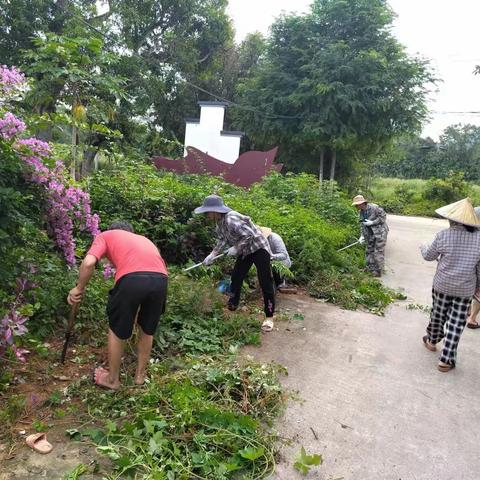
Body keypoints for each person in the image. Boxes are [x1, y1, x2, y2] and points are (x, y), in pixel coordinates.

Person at [67, 221, 168, 389]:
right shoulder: (144, 240)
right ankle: (140, 377)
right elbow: (153, 268)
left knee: (117, 328)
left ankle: (112, 380)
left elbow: (88, 263)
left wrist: (78, 288)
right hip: (161, 279)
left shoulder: (105, 236)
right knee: (147, 328)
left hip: (131, 278)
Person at [194, 194, 275, 332]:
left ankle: (269, 317)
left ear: (214, 211)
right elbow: (222, 240)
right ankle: (233, 304)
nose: (206, 215)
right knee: (236, 277)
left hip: (259, 248)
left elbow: (250, 234)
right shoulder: (219, 224)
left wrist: (236, 247)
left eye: (207, 212)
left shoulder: (231, 218)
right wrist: (212, 254)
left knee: (265, 280)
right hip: (246, 251)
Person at [420, 198, 480, 372]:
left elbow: (428, 256)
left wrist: (423, 246)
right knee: (456, 322)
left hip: (442, 285)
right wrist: (478, 286)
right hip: (465, 289)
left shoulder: (443, 235)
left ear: (452, 219)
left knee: (438, 314)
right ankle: (446, 360)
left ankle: (432, 341)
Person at [351, 195, 389, 277]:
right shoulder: (361, 212)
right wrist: (362, 236)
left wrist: (373, 222)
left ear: (362, 203)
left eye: (357, 205)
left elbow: (383, 217)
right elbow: (362, 225)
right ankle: (370, 268)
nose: (356, 206)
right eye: (356, 205)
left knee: (378, 252)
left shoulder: (374, 208)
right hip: (370, 233)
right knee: (369, 250)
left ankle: (378, 271)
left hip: (380, 232)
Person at [466, 205, 480, 329]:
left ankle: (468, 310)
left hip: (471, 249)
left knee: (471, 282)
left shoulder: (474, 211)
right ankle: (472, 318)